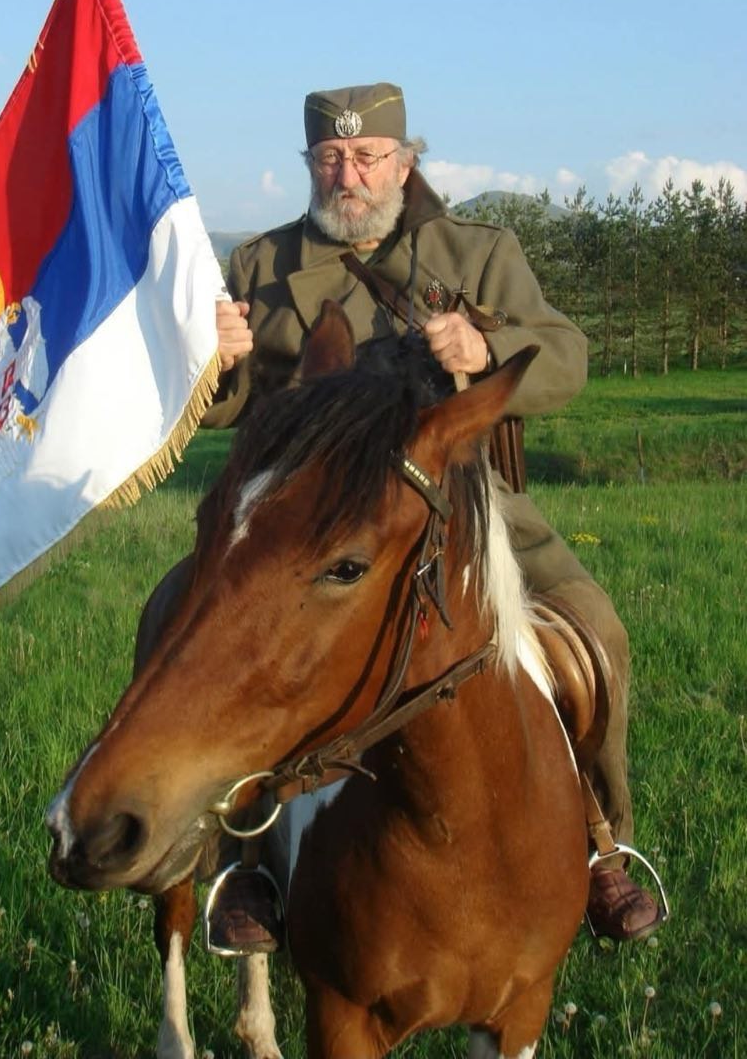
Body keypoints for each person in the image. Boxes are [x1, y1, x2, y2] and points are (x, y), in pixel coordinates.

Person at [142, 82, 663, 947]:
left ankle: (600, 840)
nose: (348, 176)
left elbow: (566, 355)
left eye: (367, 157)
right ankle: (242, 860)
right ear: (310, 164)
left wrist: (487, 349)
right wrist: (217, 361)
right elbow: (224, 406)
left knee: (597, 633)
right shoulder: (262, 266)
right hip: (309, 524)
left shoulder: (478, 252)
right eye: (330, 158)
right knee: (203, 639)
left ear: (405, 161)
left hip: (468, 508)